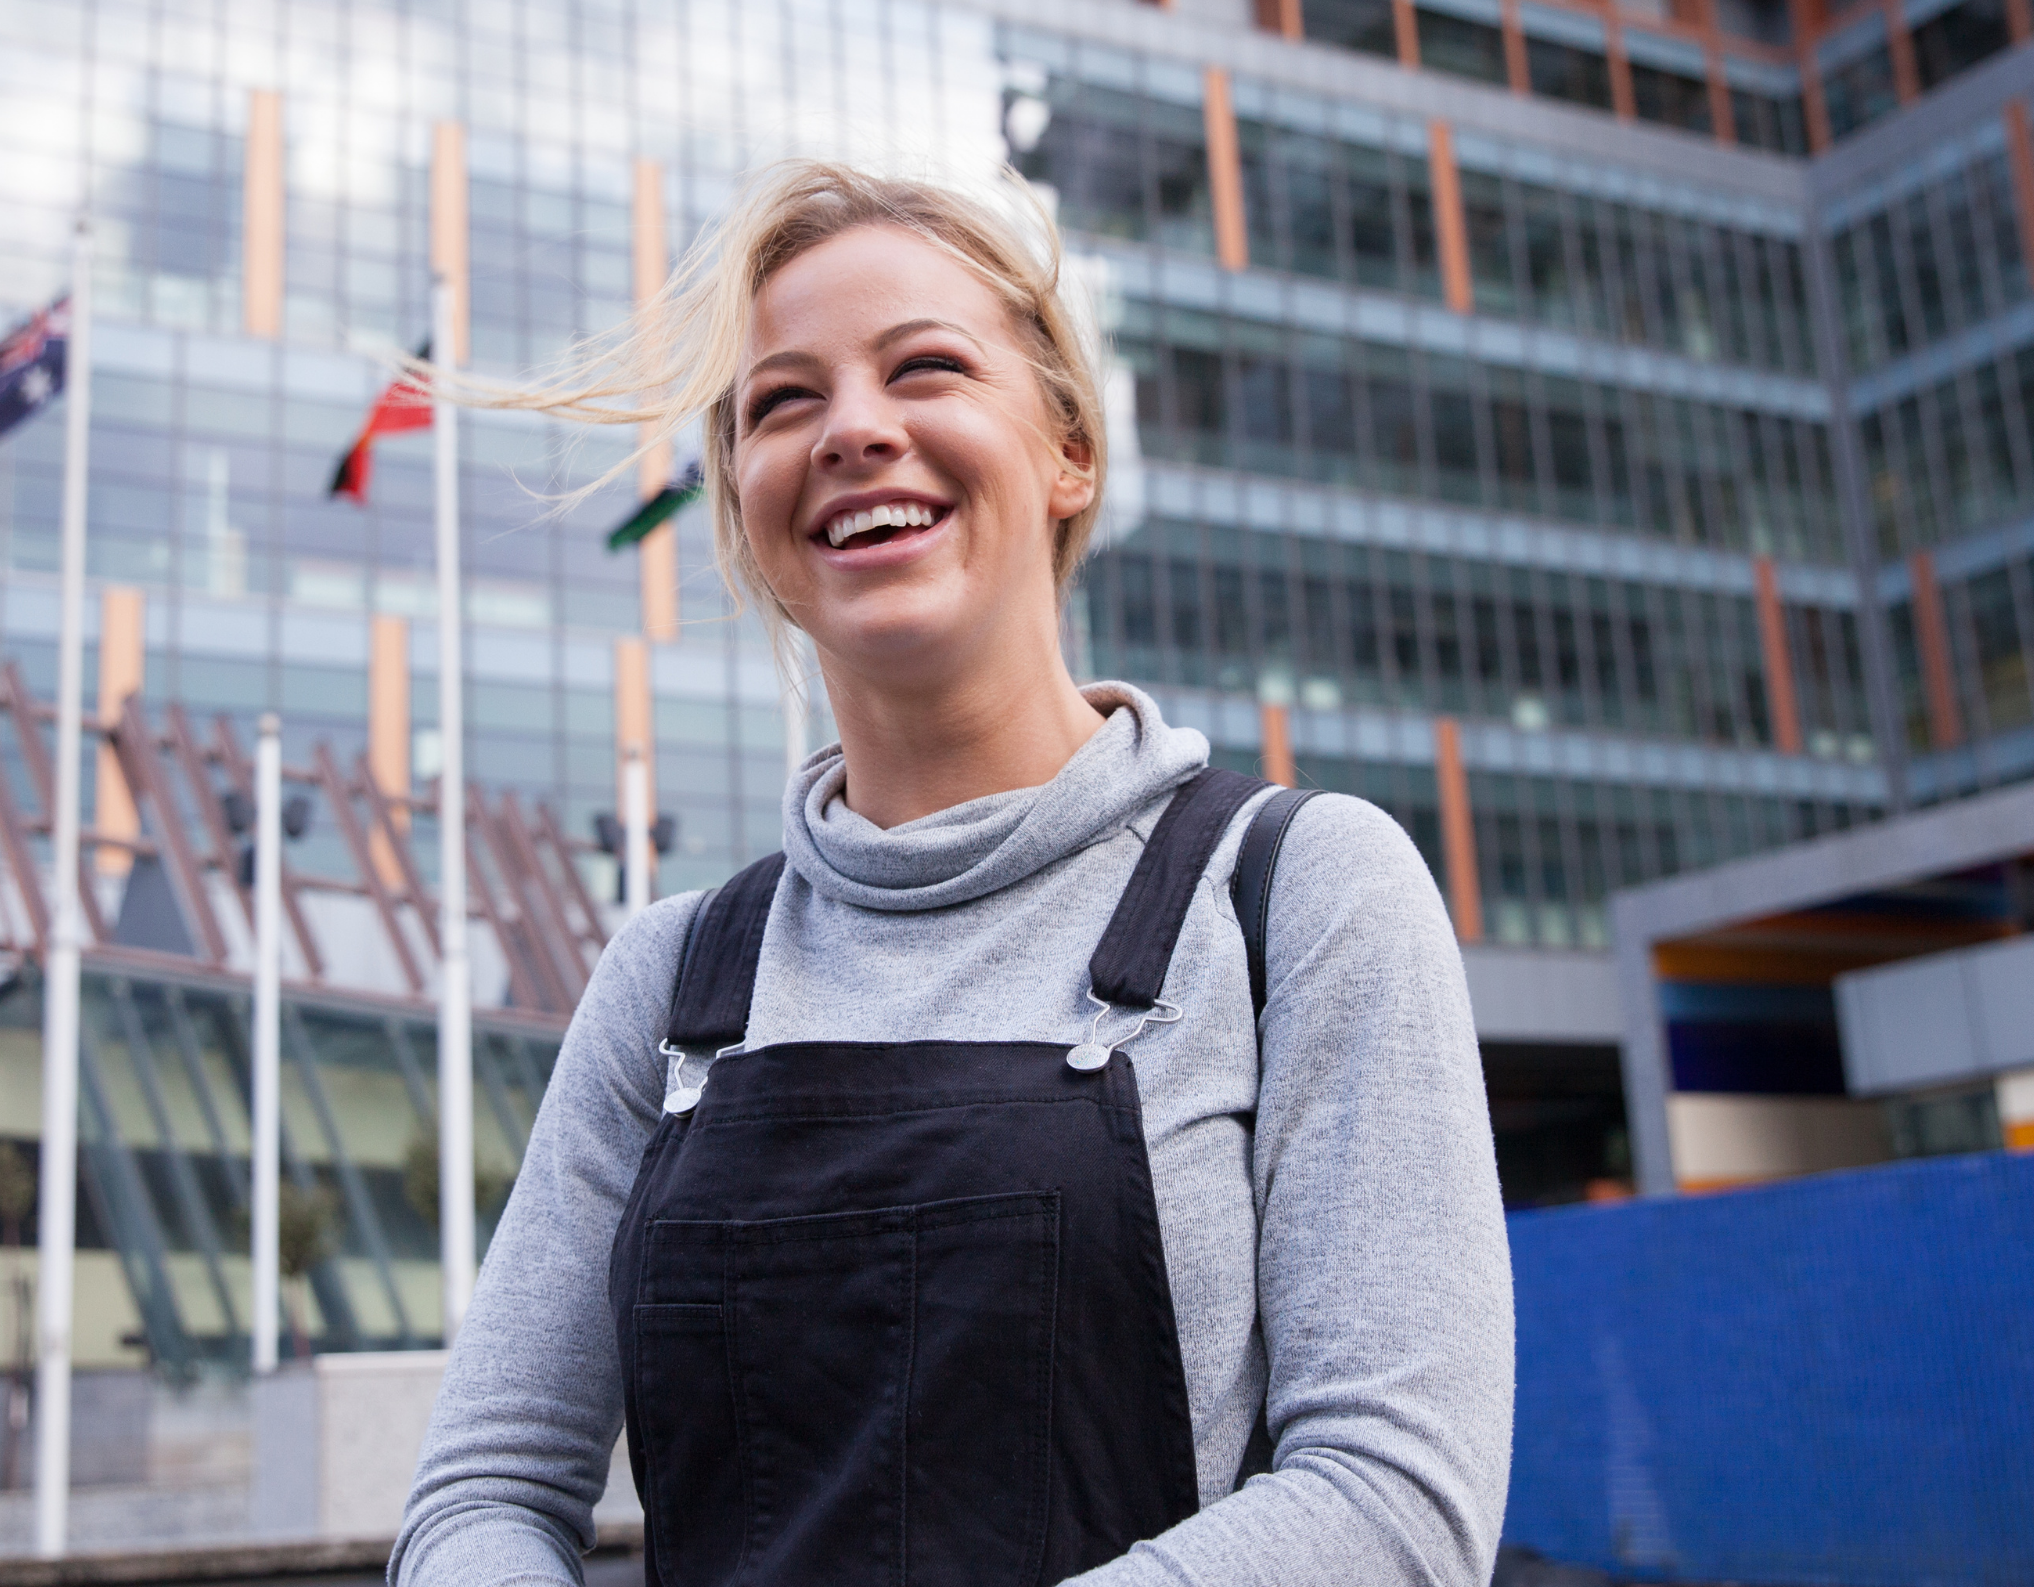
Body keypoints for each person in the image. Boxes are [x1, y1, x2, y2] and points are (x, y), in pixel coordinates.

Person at [389, 160, 1512, 1587]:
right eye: (784, 402)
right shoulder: (669, 984)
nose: (855, 429)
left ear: (1069, 452)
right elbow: (481, 1491)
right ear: (746, 511)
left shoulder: (1296, 896)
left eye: (925, 368)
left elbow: (1397, 1500)